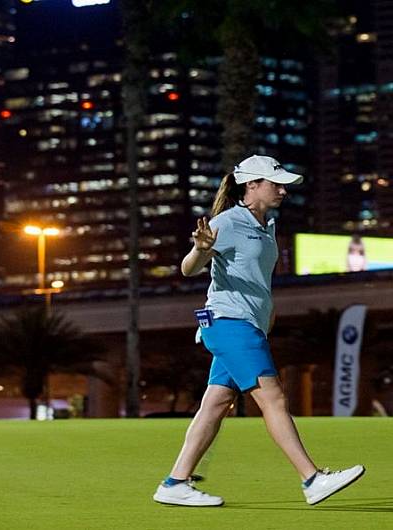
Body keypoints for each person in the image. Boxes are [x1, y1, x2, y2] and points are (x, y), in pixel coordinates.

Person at [153, 154, 365, 507]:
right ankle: (312, 479)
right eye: (275, 183)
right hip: (227, 322)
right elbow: (189, 268)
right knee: (274, 397)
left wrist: (267, 313)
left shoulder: (267, 226)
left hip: (248, 325)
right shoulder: (230, 221)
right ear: (251, 185)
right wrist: (200, 250)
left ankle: (175, 483)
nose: (283, 189)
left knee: (216, 404)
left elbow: (258, 281)